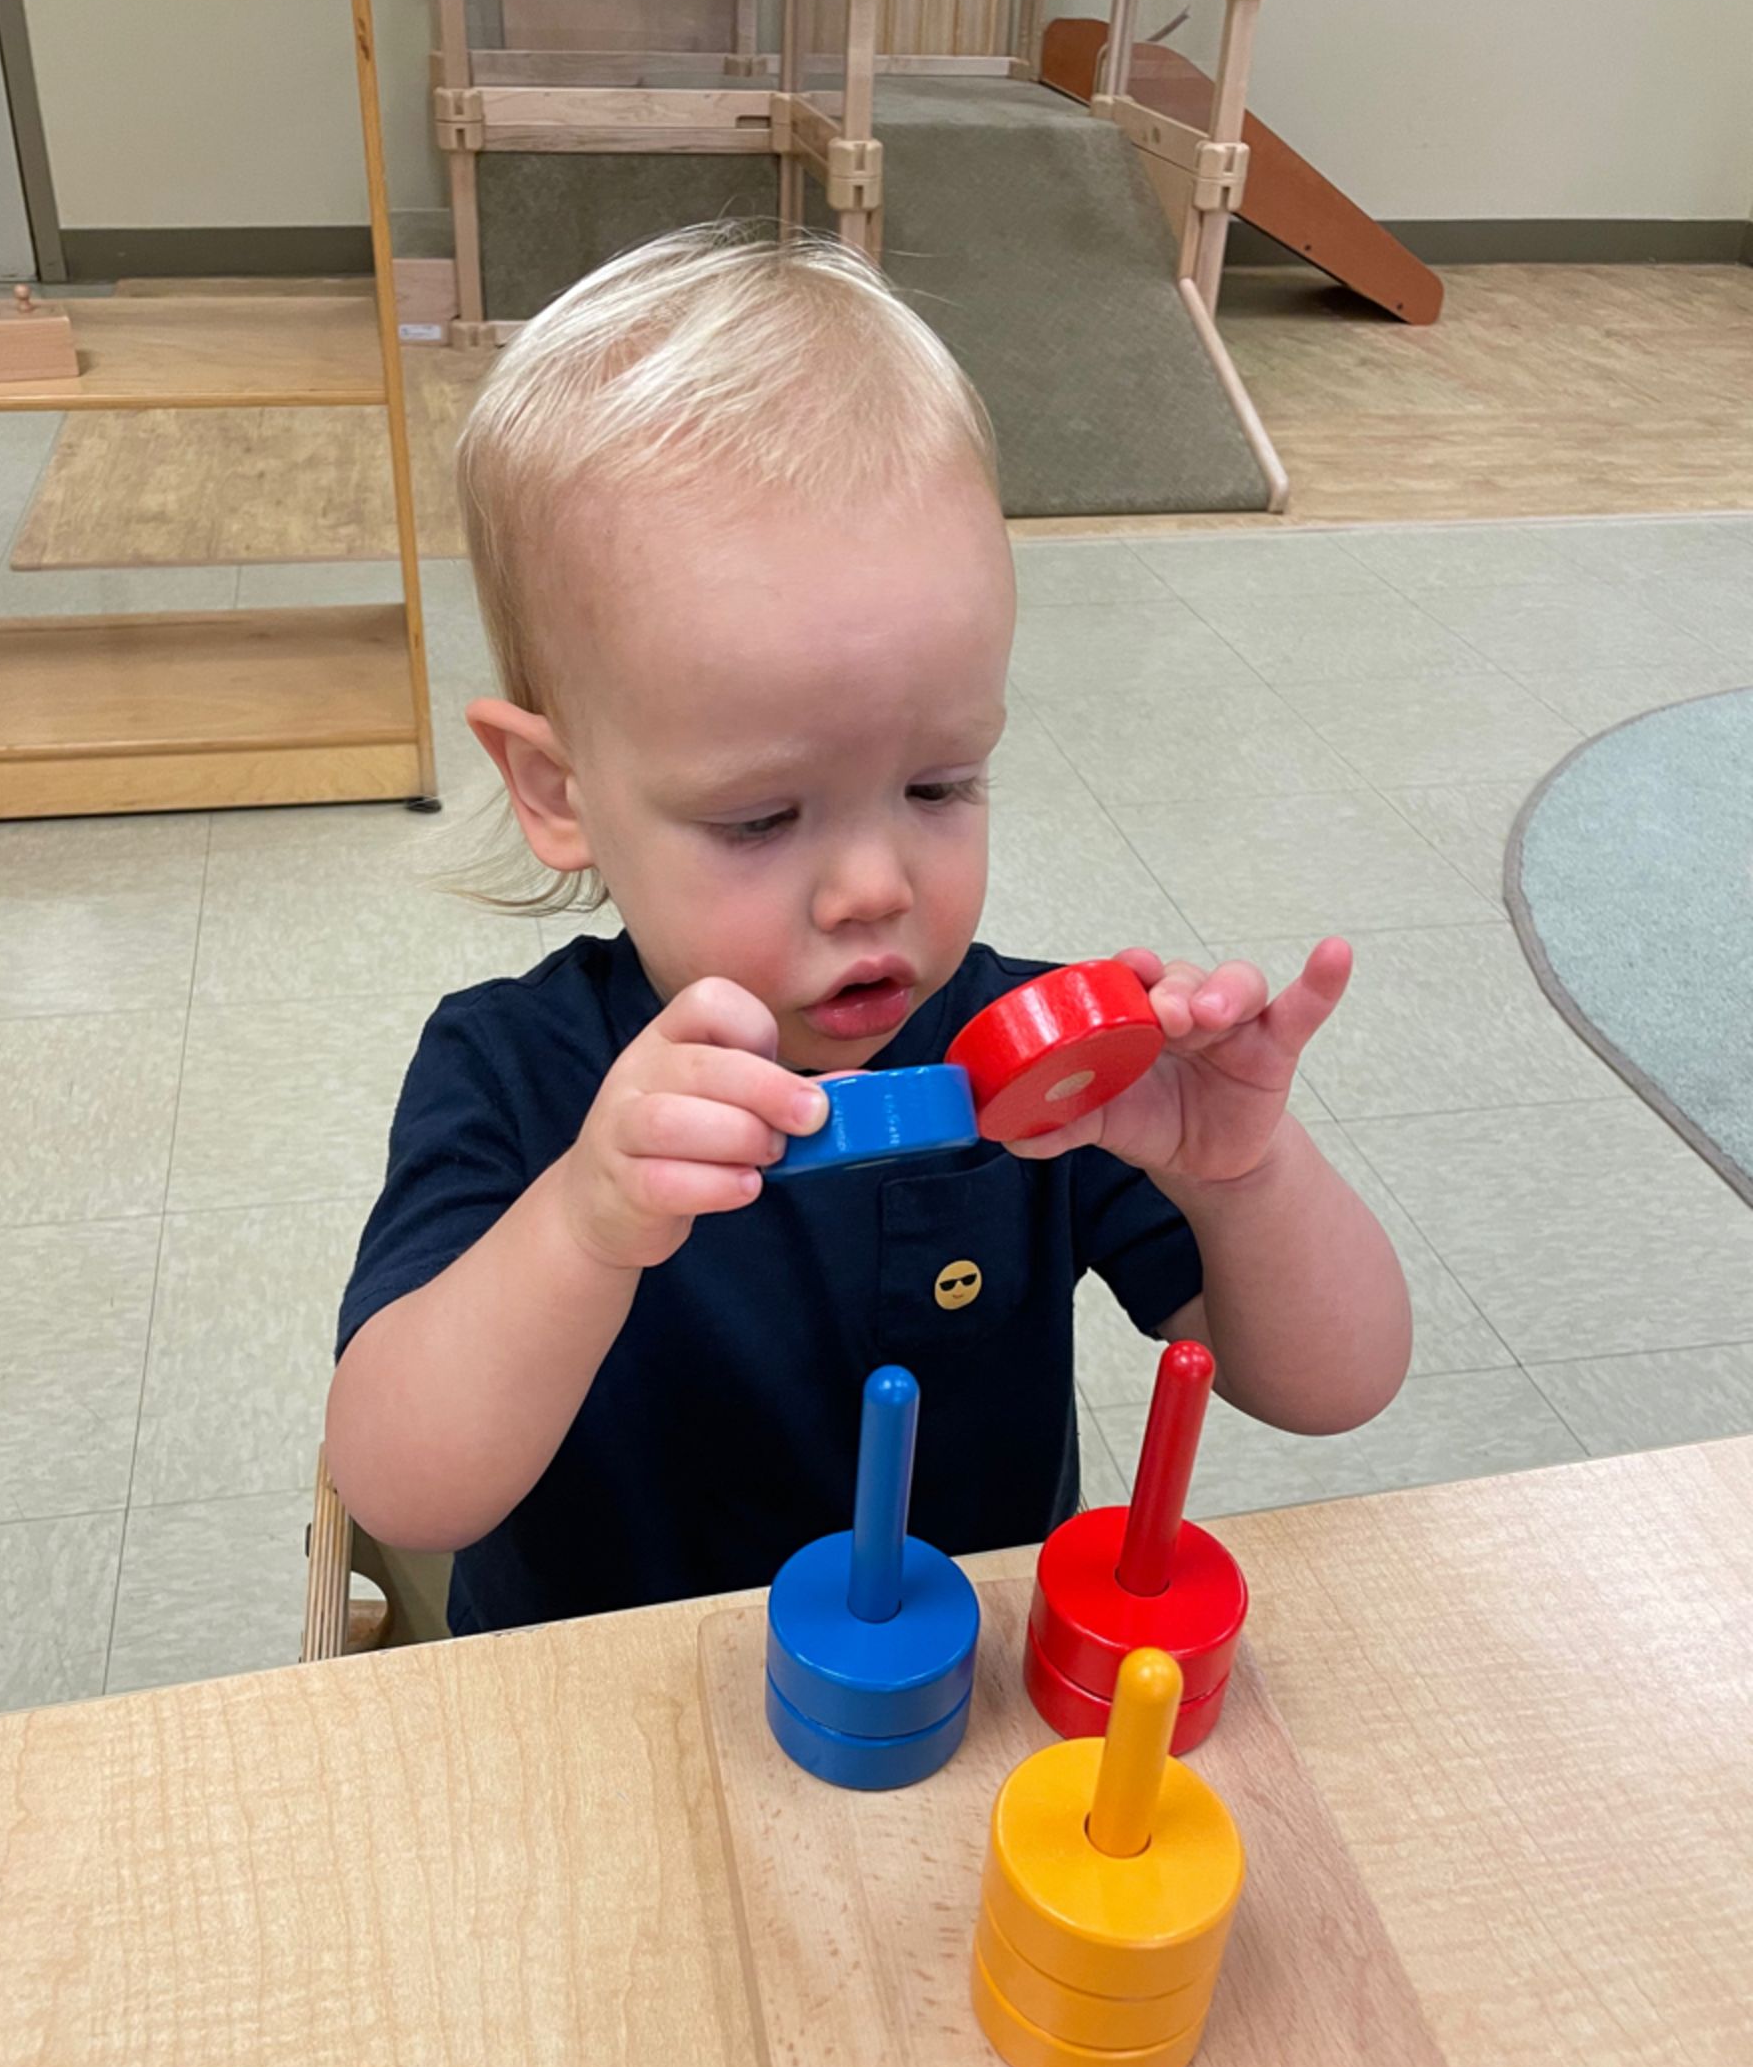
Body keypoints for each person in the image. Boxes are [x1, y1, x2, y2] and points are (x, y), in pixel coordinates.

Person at [325, 225, 1410, 1638]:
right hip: (614, 1713)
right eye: (763, 818)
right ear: (558, 790)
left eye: (939, 785)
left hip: (961, 1719)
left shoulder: (1046, 1078)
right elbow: (403, 1488)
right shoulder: (515, 1070)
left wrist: (1245, 1175)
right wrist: (587, 1223)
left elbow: (1335, 1388)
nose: (871, 889)